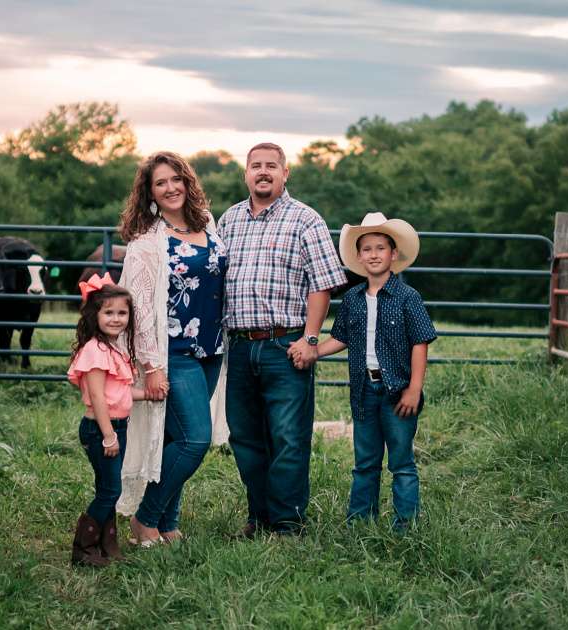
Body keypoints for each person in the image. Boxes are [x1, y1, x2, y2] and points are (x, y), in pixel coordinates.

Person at [220, 142, 346, 537]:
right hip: (240, 345)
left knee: (288, 437)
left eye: (271, 166)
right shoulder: (229, 220)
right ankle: (258, 516)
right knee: (244, 437)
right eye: (256, 166)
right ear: (245, 174)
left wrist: (311, 339)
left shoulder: (306, 220)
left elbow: (322, 285)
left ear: (284, 174)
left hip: (286, 345)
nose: (263, 172)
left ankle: (287, 522)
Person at [116, 151, 230, 548]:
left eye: (176, 179)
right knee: (195, 439)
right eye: (160, 183)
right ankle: (145, 519)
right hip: (173, 353)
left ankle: (169, 523)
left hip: (212, 348)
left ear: (187, 181)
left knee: (173, 439)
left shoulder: (209, 227)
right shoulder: (146, 245)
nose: (170, 188)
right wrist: (154, 366)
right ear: (150, 193)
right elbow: (139, 311)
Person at [315, 213, 437, 530]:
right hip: (364, 391)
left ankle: (405, 526)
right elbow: (340, 338)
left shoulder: (408, 297)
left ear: (393, 254)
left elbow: (421, 342)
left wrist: (414, 389)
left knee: (402, 463)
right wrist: (312, 351)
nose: (374, 254)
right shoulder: (353, 299)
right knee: (365, 463)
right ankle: (359, 525)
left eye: (380, 248)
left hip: (397, 391)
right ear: (358, 256)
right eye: (367, 249)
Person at [66, 274, 146, 567]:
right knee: (112, 489)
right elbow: (99, 398)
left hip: (115, 427)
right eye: (108, 312)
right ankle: (82, 549)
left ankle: (108, 543)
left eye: (122, 313)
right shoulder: (96, 351)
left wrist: (148, 394)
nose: (116, 318)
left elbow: (120, 393)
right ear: (94, 314)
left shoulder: (114, 348)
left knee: (107, 487)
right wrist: (109, 436)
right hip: (102, 429)